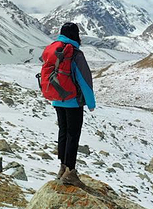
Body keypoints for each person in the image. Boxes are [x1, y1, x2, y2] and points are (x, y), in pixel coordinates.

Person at [51, 22, 96, 187]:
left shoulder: (55, 50)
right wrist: (90, 103)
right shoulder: (75, 54)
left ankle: (62, 167)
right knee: (73, 134)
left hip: (57, 99)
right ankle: (70, 171)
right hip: (73, 102)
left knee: (63, 131)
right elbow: (85, 80)